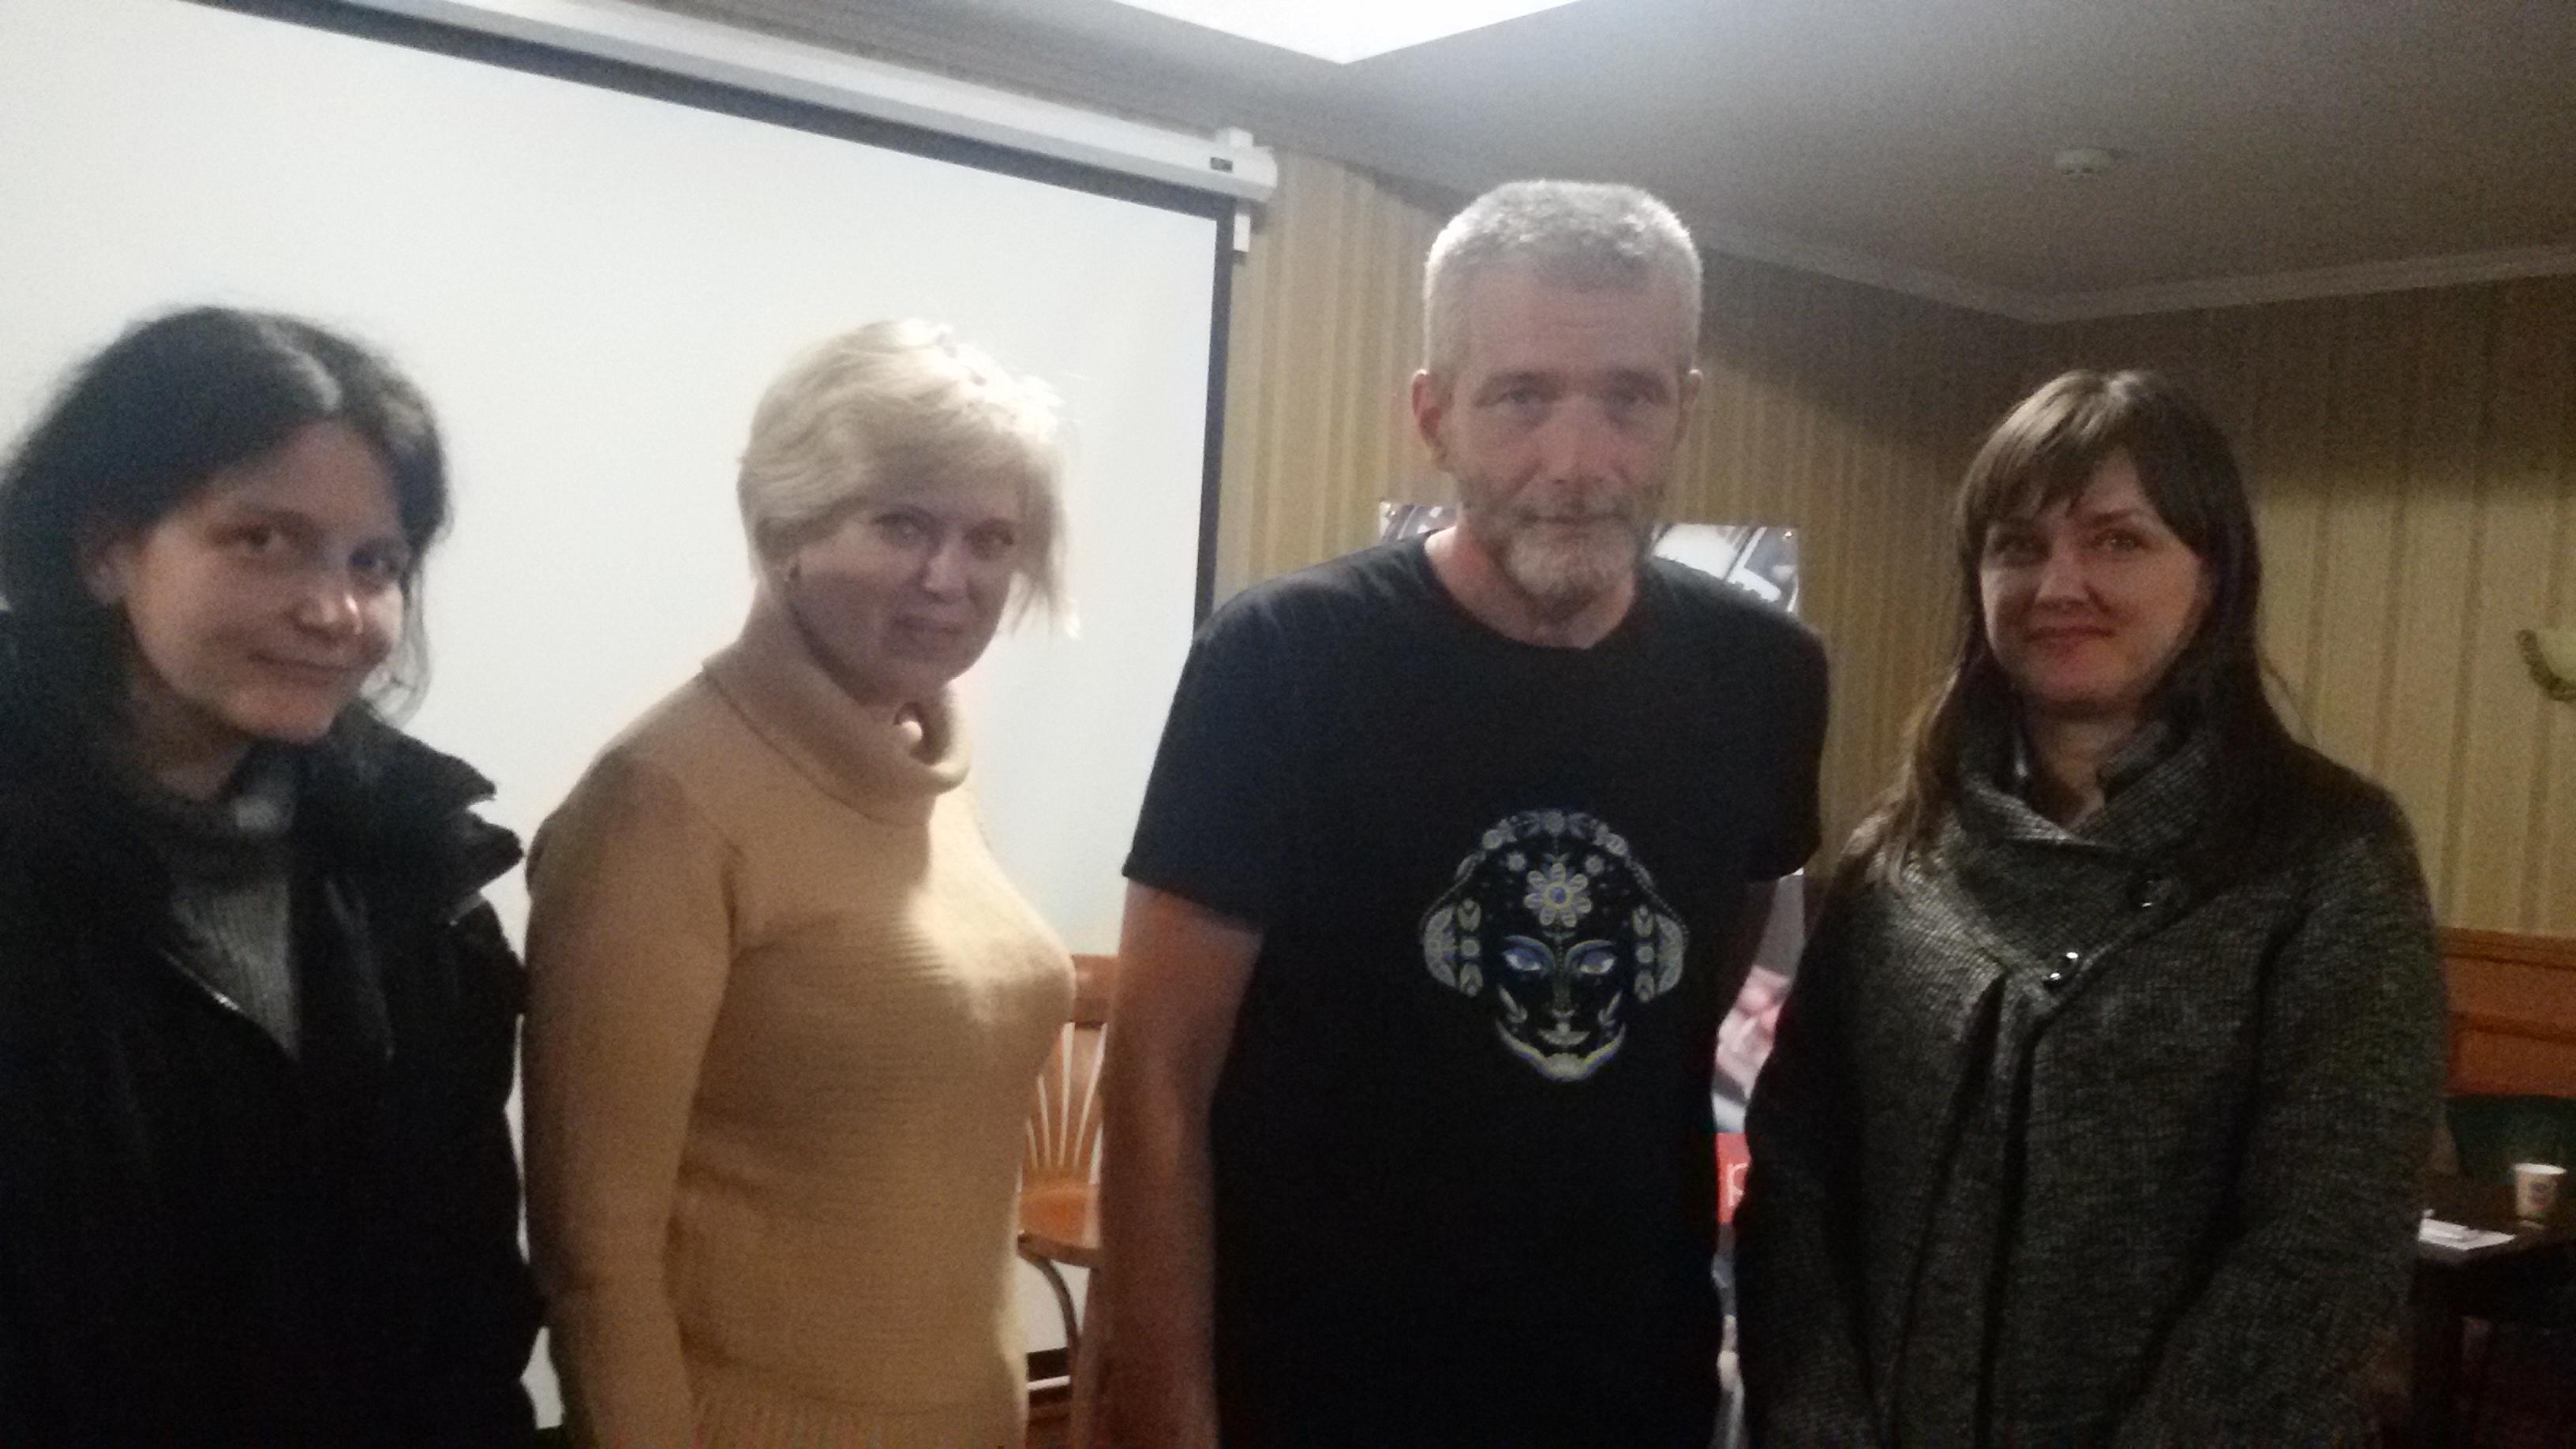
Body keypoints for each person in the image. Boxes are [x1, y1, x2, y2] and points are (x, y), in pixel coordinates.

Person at [1095, 180, 1831, 1448]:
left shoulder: (1766, 677)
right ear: (1433, 411)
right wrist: (1166, 1418)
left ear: (1686, 407)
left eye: (1629, 399)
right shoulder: (1284, 661)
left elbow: (1694, 984)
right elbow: (1158, 1073)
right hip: (1319, 1391)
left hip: (1628, 1389)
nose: (1577, 463)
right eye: (1522, 397)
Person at [1735, 369, 2446, 1445]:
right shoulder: (1900, 861)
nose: (2059, 584)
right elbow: (1798, 1177)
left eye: (2118, 540)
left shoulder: (2328, 861)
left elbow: (2325, 1252)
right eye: (2018, 546)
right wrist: (1821, 1426)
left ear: (2211, 574)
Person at [524, 320, 1076, 1446]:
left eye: (990, 539)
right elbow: (596, 1252)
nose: (950, 579)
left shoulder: (923, 773)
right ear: (785, 526)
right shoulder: (665, 802)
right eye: (902, 525)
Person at [0, 307, 540, 1444]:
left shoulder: (419, 872)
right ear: (104, 548)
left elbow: (461, 1291)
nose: (333, 611)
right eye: (263, 541)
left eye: (375, 562)